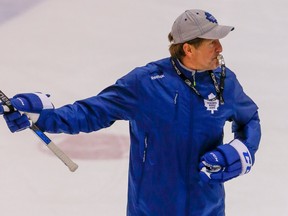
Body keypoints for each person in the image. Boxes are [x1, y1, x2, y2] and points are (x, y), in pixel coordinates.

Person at [0, 9, 261, 216]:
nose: (220, 48)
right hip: (151, 210)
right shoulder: (146, 83)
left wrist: (243, 149)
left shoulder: (225, 82)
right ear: (188, 48)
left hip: (208, 210)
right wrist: (42, 117)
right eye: (212, 42)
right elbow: (92, 111)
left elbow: (249, 118)